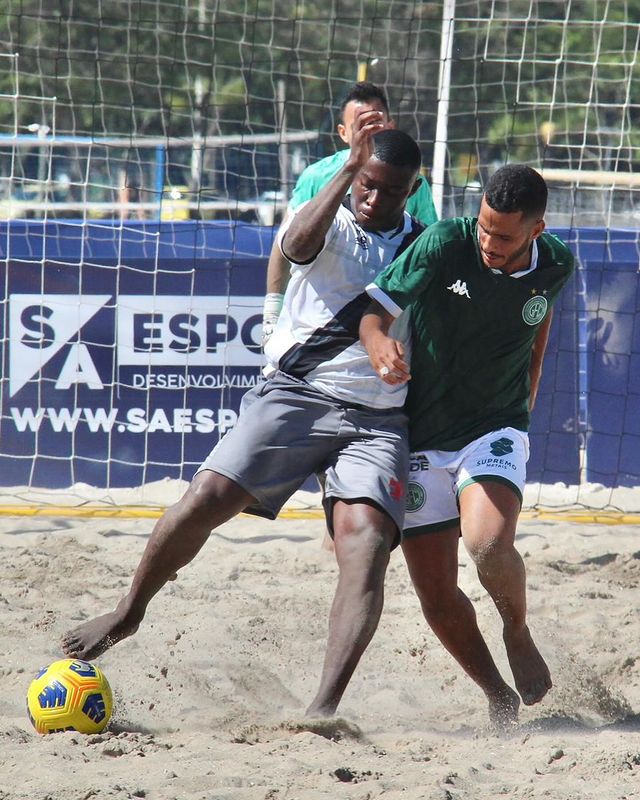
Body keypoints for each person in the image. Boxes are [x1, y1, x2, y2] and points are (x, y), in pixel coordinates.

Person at [61, 114, 425, 718]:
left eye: (390, 190)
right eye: (368, 183)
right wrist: (346, 171)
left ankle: (321, 710)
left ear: (412, 190)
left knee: (366, 545)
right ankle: (128, 611)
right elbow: (296, 248)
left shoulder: (424, 244)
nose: (374, 198)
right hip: (297, 393)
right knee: (207, 495)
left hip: (376, 418)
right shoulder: (329, 216)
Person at [360, 164, 574, 722]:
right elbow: (373, 312)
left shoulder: (557, 261)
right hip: (422, 435)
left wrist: (525, 399)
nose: (489, 242)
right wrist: (379, 342)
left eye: (503, 235)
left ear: (536, 229)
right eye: (484, 227)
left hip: (492, 427)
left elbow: (537, 321)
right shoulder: (444, 243)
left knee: (487, 545)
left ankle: (516, 629)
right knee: (435, 594)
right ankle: (497, 695)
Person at [262, 81, 438, 345]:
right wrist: (271, 312)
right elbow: (287, 244)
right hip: (314, 331)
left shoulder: (410, 179)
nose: (376, 200)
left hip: (384, 325)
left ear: (390, 125)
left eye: (376, 122)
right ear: (345, 133)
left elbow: (428, 254)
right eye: (361, 125)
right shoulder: (318, 176)